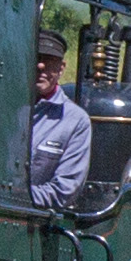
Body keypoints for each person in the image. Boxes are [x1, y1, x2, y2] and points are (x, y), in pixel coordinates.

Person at [23, 42, 91, 211]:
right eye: (37, 58)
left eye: (49, 60)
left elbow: (65, 190)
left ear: (61, 68)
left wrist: (19, 195)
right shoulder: (5, 107)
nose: (40, 65)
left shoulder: (76, 121)